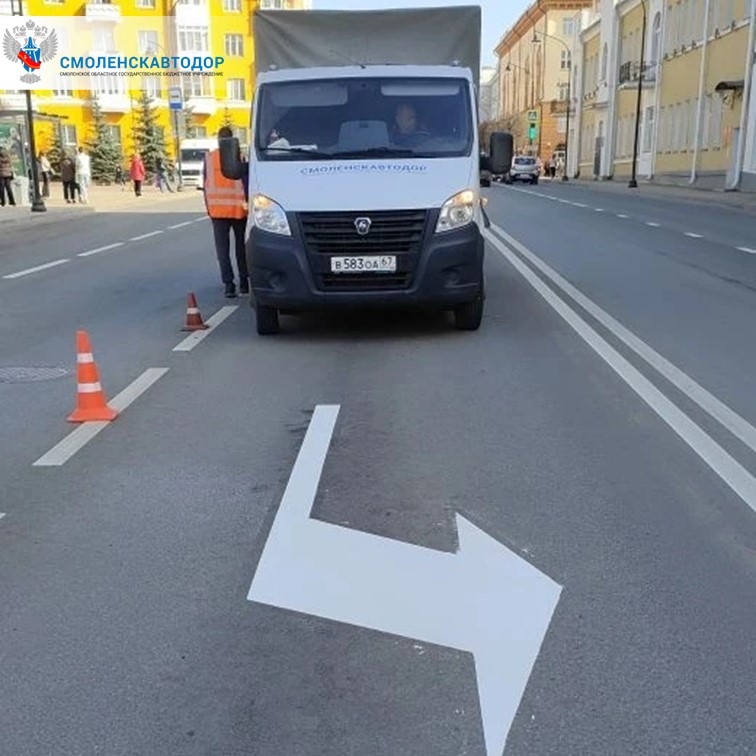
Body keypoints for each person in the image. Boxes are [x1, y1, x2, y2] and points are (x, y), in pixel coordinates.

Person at [202, 126, 249, 298]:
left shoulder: (209, 158)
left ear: (218, 140)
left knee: (223, 251)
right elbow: (247, 182)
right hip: (239, 210)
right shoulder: (240, 157)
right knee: (241, 248)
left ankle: (229, 285)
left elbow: (205, 185)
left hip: (218, 211)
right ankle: (244, 282)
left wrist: (209, 209)